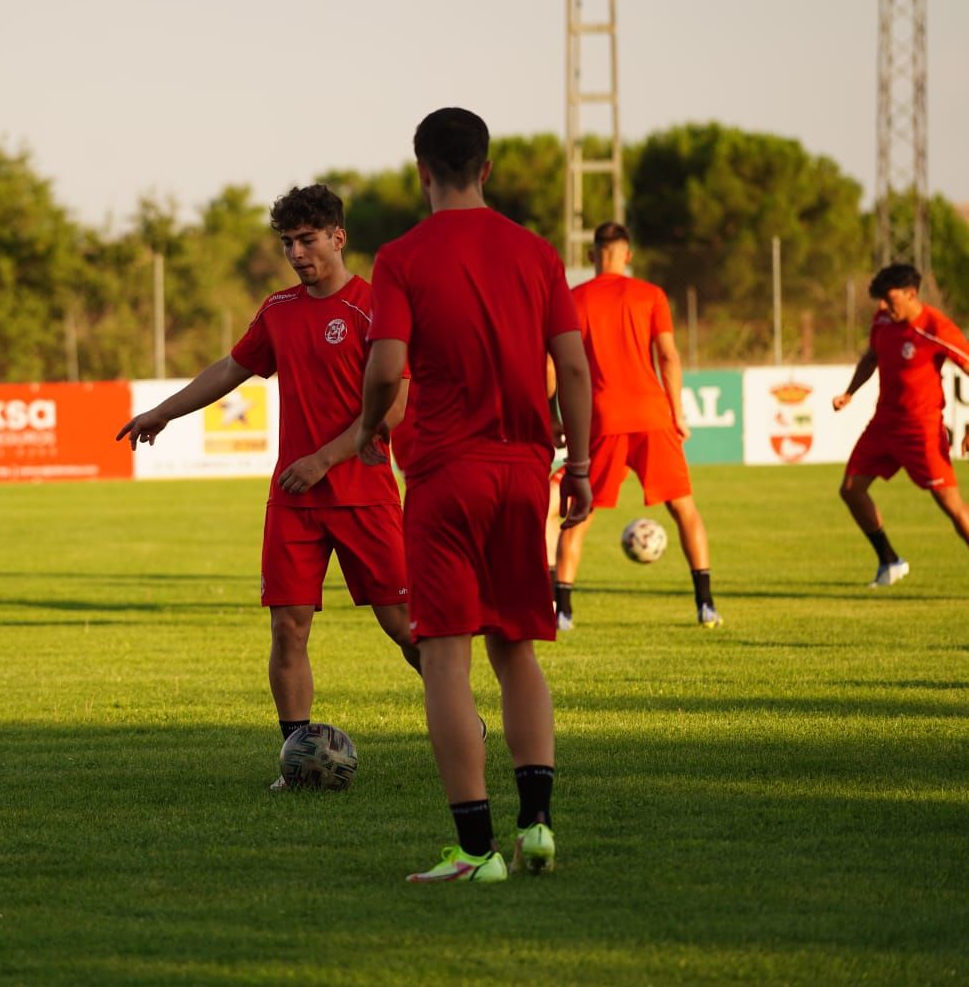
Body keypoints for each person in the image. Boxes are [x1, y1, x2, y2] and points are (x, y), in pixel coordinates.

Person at [357, 107, 593, 884]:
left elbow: (387, 365)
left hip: (444, 475)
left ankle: (474, 850)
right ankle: (540, 828)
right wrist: (582, 468)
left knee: (447, 660)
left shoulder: (400, 257)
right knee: (517, 649)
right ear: (485, 169)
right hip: (524, 472)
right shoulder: (536, 253)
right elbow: (577, 369)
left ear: (422, 169)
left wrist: (367, 428)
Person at [118, 184, 416, 788]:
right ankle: (297, 759)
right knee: (288, 627)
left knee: (405, 626)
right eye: (287, 243)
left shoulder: (373, 307)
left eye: (307, 240)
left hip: (363, 492)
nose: (297, 253)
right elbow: (230, 369)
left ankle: (457, 717)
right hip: (295, 499)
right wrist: (164, 412)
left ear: (338, 237)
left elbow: (393, 408)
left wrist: (324, 460)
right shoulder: (277, 310)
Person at [552, 222, 721, 629]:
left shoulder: (572, 300)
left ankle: (564, 613)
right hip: (652, 415)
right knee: (685, 509)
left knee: (578, 513)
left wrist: (555, 417)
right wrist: (677, 411)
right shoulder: (651, 296)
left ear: (592, 256)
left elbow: (555, 365)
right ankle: (706, 605)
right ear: (627, 256)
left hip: (602, 419)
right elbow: (669, 357)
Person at [834, 263, 969, 584]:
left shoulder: (935, 327)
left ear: (911, 294)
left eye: (888, 298)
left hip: (920, 431)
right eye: (879, 299)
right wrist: (849, 393)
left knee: (951, 506)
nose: (882, 306)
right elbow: (871, 358)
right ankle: (889, 561)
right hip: (883, 425)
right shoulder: (883, 320)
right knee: (851, 490)